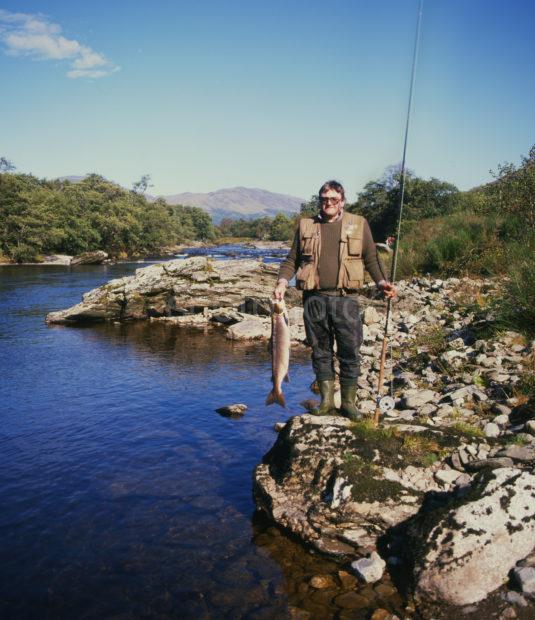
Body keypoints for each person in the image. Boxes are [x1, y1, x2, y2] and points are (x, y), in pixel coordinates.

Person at [273, 180, 396, 420]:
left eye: (333, 199)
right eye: (323, 199)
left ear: (342, 201)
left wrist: (382, 283)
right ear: (319, 200)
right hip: (314, 299)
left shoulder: (358, 224)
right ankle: (327, 402)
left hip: (346, 299)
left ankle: (349, 403)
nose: (328, 203)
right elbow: (292, 260)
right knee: (320, 351)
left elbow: (372, 258)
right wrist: (281, 282)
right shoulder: (306, 225)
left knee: (350, 351)